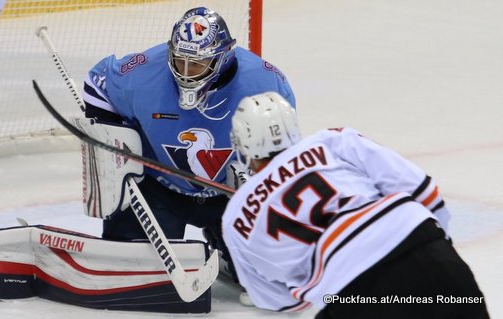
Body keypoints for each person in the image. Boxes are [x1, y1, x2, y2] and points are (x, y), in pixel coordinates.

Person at [223, 92, 489, 318]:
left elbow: (279, 300)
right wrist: (437, 249)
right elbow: (423, 190)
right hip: (423, 249)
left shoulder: (236, 215)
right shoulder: (331, 141)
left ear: (243, 144)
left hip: (353, 295)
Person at [82, 7, 293, 265]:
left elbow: (283, 149)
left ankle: (227, 241)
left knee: (271, 271)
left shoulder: (265, 83)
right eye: (179, 59)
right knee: (135, 266)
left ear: (223, 57)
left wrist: (256, 183)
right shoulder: (145, 72)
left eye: (196, 63)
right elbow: (97, 83)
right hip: (158, 188)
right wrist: (115, 141)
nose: (185, 71)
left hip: (228, 196)